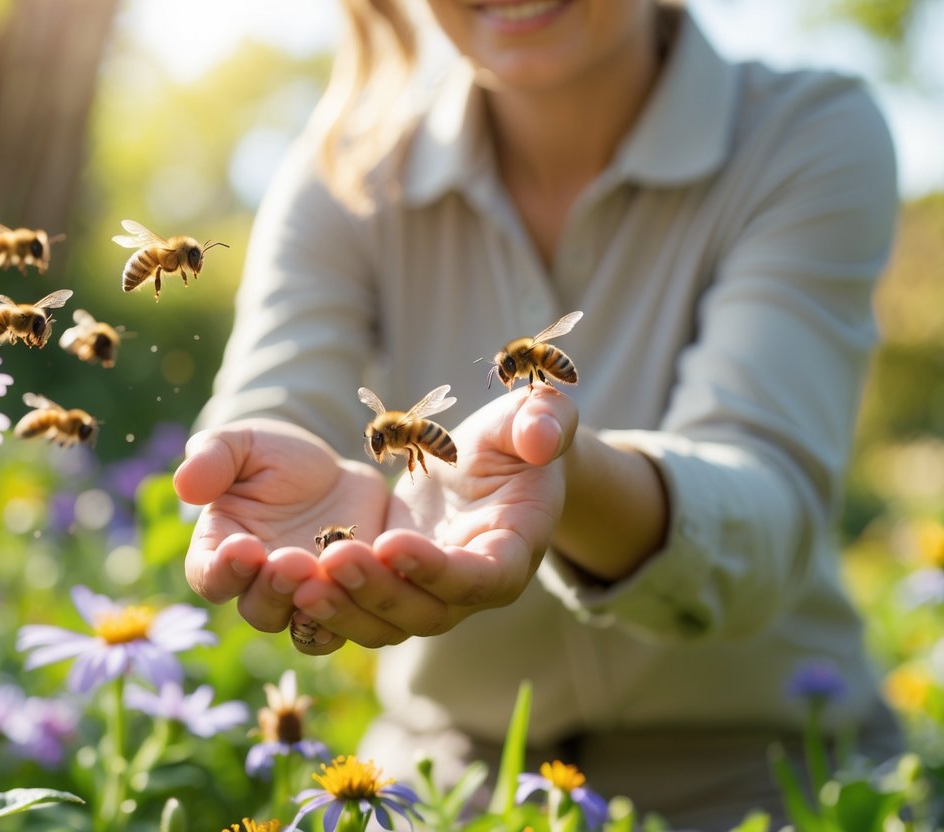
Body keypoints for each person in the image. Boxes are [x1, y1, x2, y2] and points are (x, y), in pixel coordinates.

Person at [172, 0, 902, 828]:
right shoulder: (344, 164)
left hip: (765, 783)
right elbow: (278, 401)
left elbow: (765, 497)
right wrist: (265, 481)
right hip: (445, 786)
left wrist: (570, 472)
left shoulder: (803, 131)